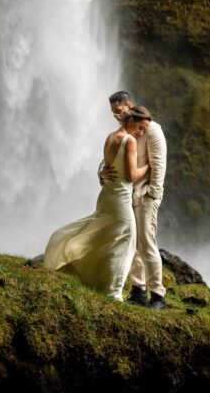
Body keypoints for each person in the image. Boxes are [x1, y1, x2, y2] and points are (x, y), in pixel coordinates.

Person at [43, 107, 152, 301]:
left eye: (144, 130)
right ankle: (113, 293)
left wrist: (101, 174)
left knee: (102, 236)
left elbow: (106, 167)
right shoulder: (129, 141)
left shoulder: (111, 137)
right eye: (140, 127)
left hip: (106, 195)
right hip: (120, 199)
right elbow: (131, 176)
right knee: (126, 241)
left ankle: (91, 277)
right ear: (130, 121)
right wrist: (150, 165)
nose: (141, 133)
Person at [103, 91, 168, 310]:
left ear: (129, 106)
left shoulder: (152, 130)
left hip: (145, 195)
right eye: (113, 112)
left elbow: (158, 164)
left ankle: (158, 295)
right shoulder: (123, 132)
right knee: (134, 242)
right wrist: (101, 174)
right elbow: (109, 160)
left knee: (147, 242)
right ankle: (139, 290)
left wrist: (152, 193)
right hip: (127, 194)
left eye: (118, 111)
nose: (115, 116)